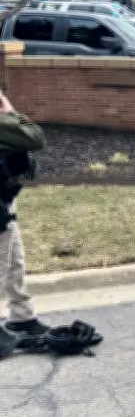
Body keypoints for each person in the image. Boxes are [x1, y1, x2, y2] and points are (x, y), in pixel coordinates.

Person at [0, 90, 50, 358]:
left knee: (13, 260)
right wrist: (9, 110)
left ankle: (22, 317)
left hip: (5, 200)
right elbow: (35, 137)